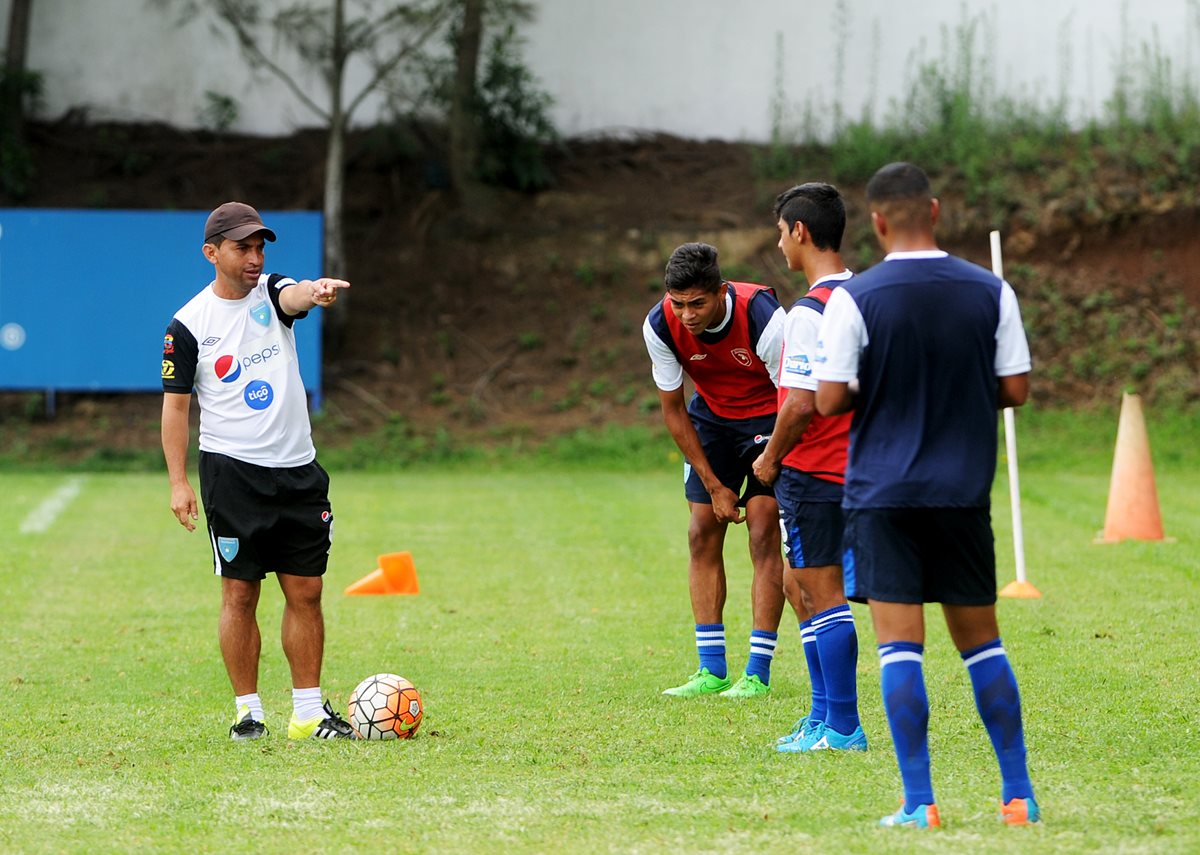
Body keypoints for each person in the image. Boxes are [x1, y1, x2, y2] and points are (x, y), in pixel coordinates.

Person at [813, 163, 1038, 828]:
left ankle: (920, 802)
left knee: (899, 649)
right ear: (934, 211)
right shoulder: (991, 291)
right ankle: (1018, 795)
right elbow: (1016, 389)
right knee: (984, 645)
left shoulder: (856, 299)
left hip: (883, 496)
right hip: (960, 493)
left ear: (877, 222)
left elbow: (828, 399)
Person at [161, 201, 355, 741]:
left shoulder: (272, 292)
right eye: (243, 247)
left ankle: (309, 712)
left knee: (306, 591)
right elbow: (175, 409)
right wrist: (179, 482)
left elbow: (294, 294)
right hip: (233, 475)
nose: (255, 256)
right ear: (212, 253)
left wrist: (313, 290)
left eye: (260, 246)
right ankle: (249, 712)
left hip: (298, 471)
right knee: (240, 594)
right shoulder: (188, 325)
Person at [644, 241, 787, 698]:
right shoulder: (660, 324)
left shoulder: (761, 315)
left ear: (721, 292)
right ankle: (711, 670)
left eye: (697, 303)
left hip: (772, 419)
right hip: (712, 418)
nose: (687, 314)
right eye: (678, 303)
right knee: (700, 530)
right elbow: (673, 408)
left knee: (764, 530)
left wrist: (773, 455)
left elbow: (795, 396)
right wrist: (713, 484)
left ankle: (757, 672)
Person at [752, 183, 865, 752]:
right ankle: (822, 718)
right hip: (857, 466)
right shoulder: (866, 296)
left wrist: (769, 459)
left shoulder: (809, 311)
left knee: (822, 593)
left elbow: (798, 403)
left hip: (815, 467)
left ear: (799, 231)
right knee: (802, 588)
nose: (779, 245)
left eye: (780, 232)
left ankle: (842, 726)